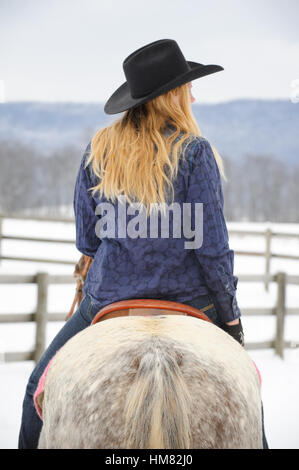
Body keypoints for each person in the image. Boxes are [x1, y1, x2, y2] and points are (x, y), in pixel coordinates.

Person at [18, 38, 266, 449]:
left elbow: (87, 240)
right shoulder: (195, 152)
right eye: (187, 86)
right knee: (250, 399)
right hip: (191, 299)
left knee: (35, 391)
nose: (193, 93)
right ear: (172, 95)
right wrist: (231, 317)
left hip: (110, 296)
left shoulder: (99, 149)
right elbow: (212, 250)